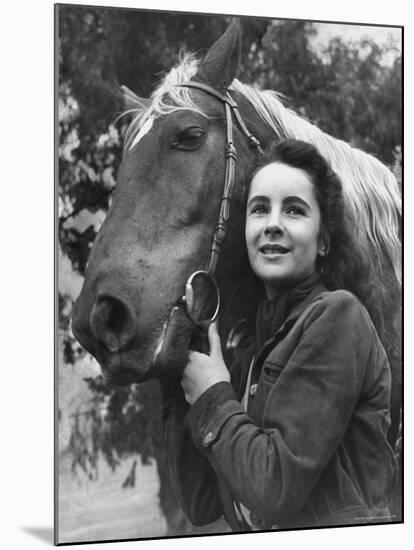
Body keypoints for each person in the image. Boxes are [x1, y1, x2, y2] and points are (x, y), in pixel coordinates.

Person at [163, 138, 397, 531]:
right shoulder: (250, 347)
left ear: (324, 241)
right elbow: (201, 502)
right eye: (259, 209)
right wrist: (177, 368)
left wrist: (212, 396)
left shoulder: (339, 316)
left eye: (294, 210)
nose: (273, 223)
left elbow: (274, 491)